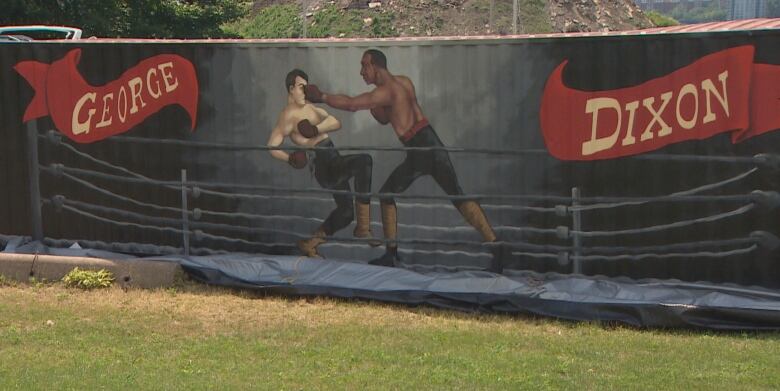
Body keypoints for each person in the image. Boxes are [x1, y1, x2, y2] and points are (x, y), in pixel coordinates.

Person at [304, 50, 504, 272]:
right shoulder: (403, 82)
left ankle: (391, 255)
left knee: (389, 194)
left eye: (365, 66)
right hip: (428, 142)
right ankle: (496, 245)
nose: (361, 71)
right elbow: (386, 117)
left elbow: (351, 104)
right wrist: (373, 106)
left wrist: (321, 96)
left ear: (377, 67)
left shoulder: (386, 91)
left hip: (420, 147)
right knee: (453, 194)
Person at [267, 69, 379, 258]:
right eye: (301, 87)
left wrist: (315, 128)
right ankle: (363, 227)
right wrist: (290, 159)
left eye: (306, 87)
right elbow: (271, 146)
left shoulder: (309, 108)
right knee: (364, 161)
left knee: (345, 213)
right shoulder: (288, 115)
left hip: (333, 158)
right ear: (291, 89)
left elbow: (335, 121)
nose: (305, 91)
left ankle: (309, 244)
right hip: (323, 163)